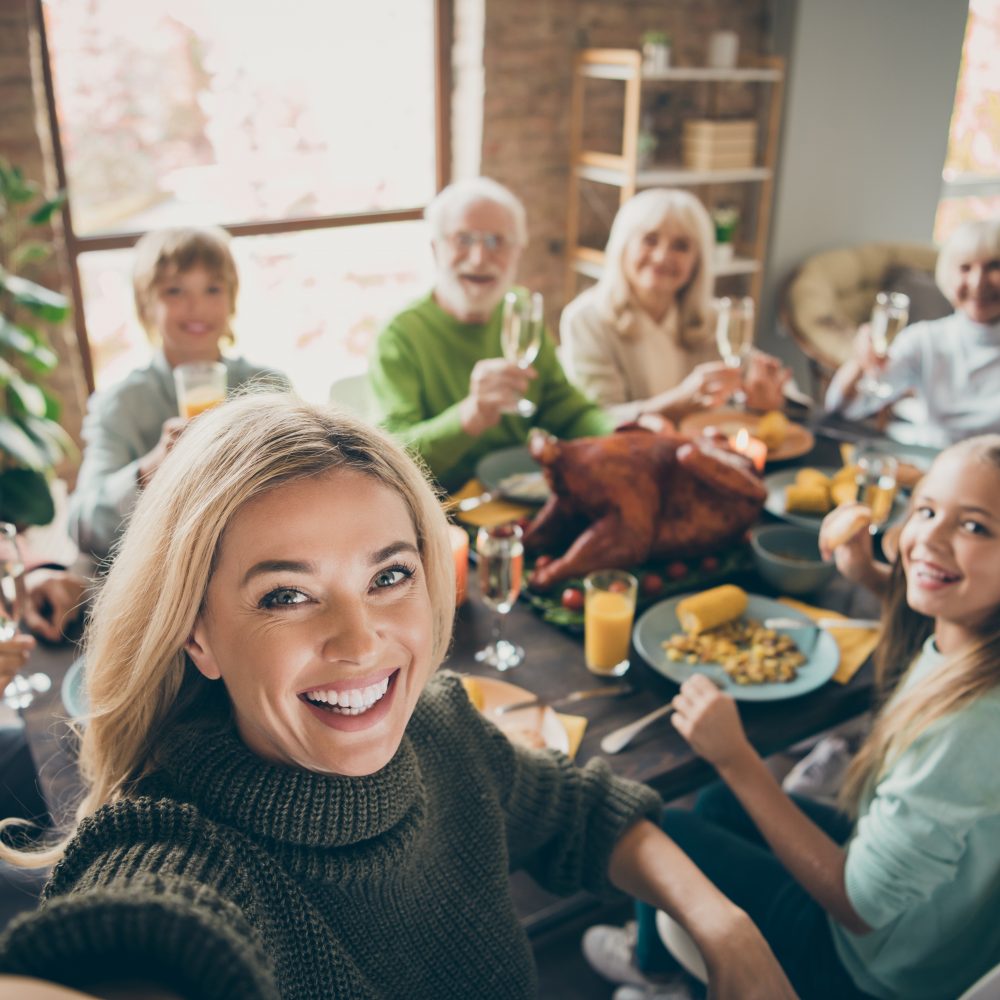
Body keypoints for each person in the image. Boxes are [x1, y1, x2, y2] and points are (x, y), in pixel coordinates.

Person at [0, 394, 794, 999]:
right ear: (195, 633)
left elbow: (579, 810)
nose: (360, 641)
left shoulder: (441, 728)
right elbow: (137, 948)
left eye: (389, 576)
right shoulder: (180, 852)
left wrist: (725, 924)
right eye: (285, 595)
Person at [585, 433, 1000, 1000]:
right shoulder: (974, 645)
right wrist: (871, 577)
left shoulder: (972, 727)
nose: (928, 536)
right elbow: (933, 638)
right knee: (715, 804)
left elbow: (858, 908)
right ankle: (669, 963)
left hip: (870, 969)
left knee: (658, 827)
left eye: (975, 526)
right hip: (929, 927)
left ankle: (654, 974)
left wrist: (736, 758)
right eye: (927, 509)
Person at [368, 177, 613, 492]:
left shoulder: (521, 310)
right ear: (435, 249)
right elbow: (390, 460)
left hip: (521, 493)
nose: (480, 258)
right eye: (463, 240)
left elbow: (564, 408)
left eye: (497, 241)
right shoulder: (399, 335)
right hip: (442, 511)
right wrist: (469, 416)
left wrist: (620, 434)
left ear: (518, 253)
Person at [67, 226, 289, 563]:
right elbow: (84, 529)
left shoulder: (269, 387)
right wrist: (150, 469)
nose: (196, 306)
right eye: (175, 291)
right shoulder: (121, 404)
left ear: (231, 301)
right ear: (147, 306)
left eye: (213, 289)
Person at [559, 189, 790, 424]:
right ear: (623, 246)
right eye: (650, 240)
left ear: (697, 261)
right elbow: (597, 418)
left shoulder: (714, 317)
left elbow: (776, 387)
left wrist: (769, 401)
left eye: (680, 246)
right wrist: (677, 403)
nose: (661, 256)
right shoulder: (586, 319)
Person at [825, 217, 1000, 447]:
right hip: (932, 468)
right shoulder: (925, 340)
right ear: (948, 275)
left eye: (994, 266)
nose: (978, 283)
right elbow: (843, 408)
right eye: (965, 268)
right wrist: (860, 362)